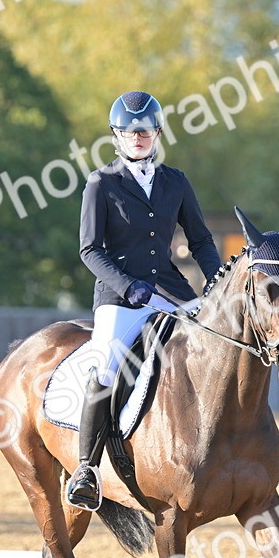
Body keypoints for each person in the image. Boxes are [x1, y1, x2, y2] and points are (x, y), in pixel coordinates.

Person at [66, 90, 224, 511]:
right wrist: (126, 285)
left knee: (224, 346)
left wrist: (218, 282)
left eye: (144, 131)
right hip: (120, 297)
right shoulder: (102, 183)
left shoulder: (176, 182)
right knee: (106, 364)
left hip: (171, 290)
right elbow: (89, 250)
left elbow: (201, 240)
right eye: (129, 132)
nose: (137, 137)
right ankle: (87, 468)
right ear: (116, 135)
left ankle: (250, 447)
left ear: (156, 133)